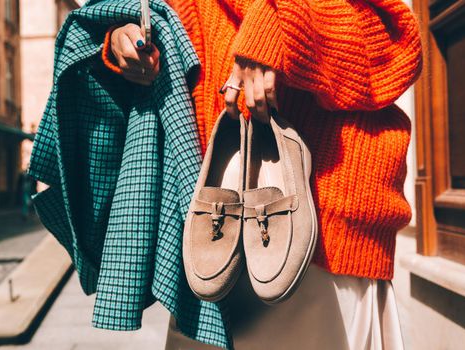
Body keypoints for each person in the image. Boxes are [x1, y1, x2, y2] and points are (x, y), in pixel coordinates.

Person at [101, 0, 423, 348]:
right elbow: (181, 37)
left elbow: (394, 46)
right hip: (213, 234)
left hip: (322, 239)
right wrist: (127, 44)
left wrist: (276, 25)